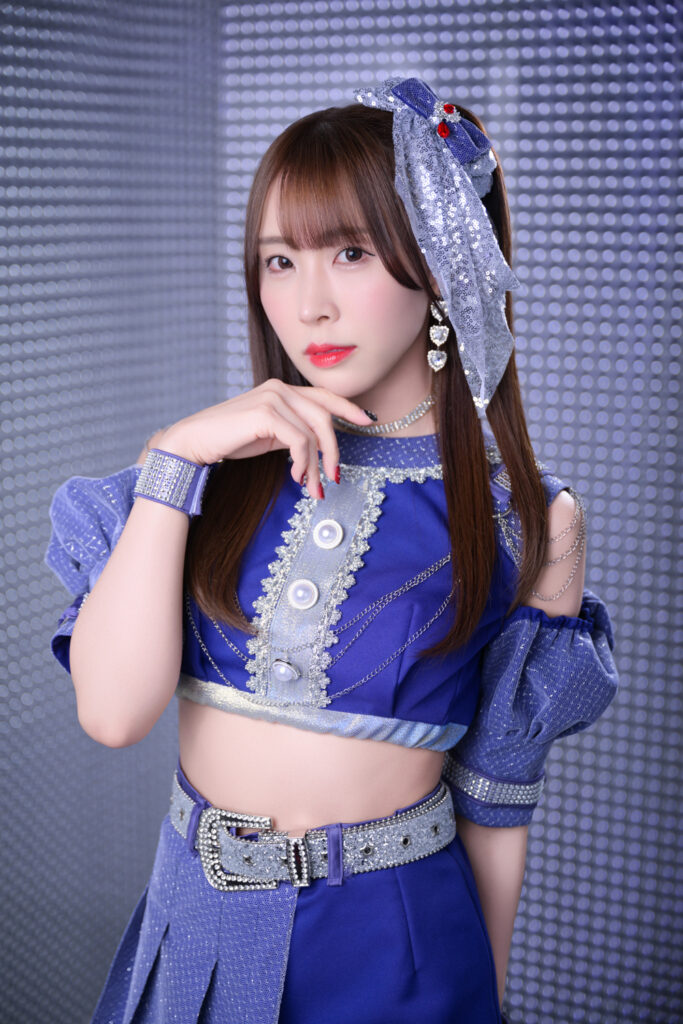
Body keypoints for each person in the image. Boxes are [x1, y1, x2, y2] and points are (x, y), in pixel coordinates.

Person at [44, 77, 619, 1024]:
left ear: (439, 263)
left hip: (398, 946)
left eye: (349, 252)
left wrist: (486, 998)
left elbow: (496, 800)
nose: (308, 304)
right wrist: (174, 461)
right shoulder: (197, 475)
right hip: (195, 923)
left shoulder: (528, 520)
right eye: (279, 261)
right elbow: (112, 714)